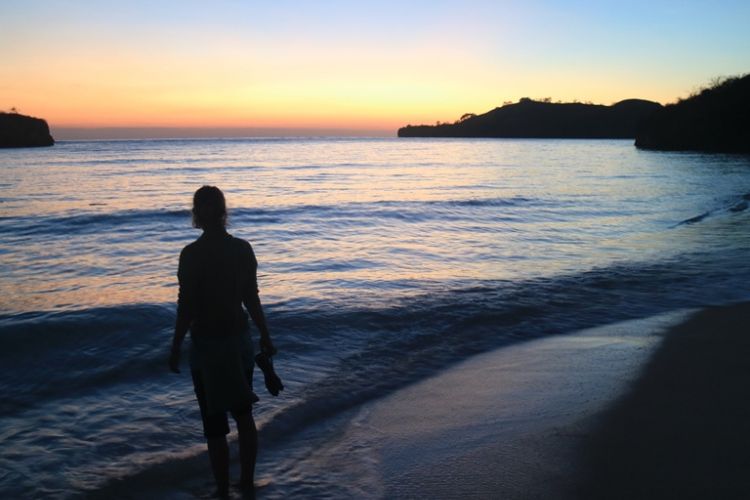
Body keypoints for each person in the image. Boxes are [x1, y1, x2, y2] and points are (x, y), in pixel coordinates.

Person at [169, 185, 275, 498]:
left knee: (213, 422)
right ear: (224, 211)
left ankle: (221, 490)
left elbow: (186, 306)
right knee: (243, 414)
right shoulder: (242, 249)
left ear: (196, 214)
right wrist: (265, 334)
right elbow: (251, 298)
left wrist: (176, 346)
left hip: (207, 347)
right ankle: (245, 482)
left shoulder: (191, 255)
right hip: (239, 342)